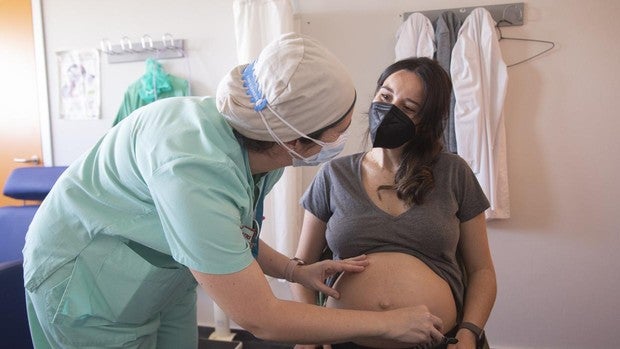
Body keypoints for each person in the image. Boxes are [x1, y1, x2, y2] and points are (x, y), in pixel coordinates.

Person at [22, 33, 446, 349]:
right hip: (88, 285)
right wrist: (385, 322)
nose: (344, 138)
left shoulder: (262, 145)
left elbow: (233, 233)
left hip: (163, 277)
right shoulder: (193, 167)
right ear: (297, 142)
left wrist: (294, 270)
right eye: (337, 131)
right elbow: (262, 319)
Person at [291, 57, 497, 349]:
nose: (389, 111)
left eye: (408, 108)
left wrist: (468, 333)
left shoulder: (454, 173)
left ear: (427, 121)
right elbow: (302, 266)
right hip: (343, 340)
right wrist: (308, 334)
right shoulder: (334, 174)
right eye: (385, 97)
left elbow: (482, 271)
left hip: (435, 341)